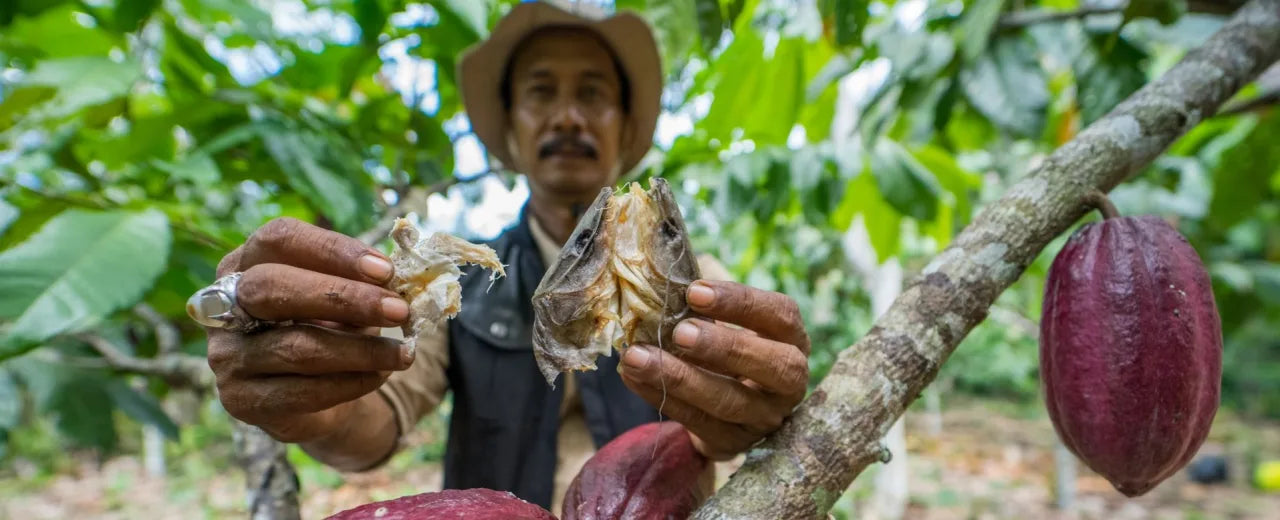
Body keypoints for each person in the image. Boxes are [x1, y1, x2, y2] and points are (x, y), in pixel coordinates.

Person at [189, 1, 811, 515]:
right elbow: (369, 423)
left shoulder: (702, 282)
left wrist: (756, 413)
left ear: (626, 128)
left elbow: (737, 419)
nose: (568, 116)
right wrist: (305, 394)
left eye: (593, 94)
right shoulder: (462, 282)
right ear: (511, 131)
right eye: (542, 93)